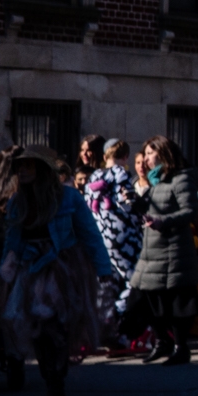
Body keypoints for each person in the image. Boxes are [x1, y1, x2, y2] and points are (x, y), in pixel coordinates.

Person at [0, 145, 114, 396]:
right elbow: (12, 241)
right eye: (19, 167)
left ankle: (57, 375)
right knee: (35, 328)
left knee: (55, 325)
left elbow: (89, 233)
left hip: (62, 267)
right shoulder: (16, 202)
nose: (22, 171)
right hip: (29, 268)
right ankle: (50, 375)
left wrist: (103, 270)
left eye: (28, 166)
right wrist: (2, 274)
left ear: (42, 169)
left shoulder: (68, 198)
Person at [123, 136, 198, 365]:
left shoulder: (181, 179)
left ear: (163, 153)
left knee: (174, 302)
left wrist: (162, 221)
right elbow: (152, 208)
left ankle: (180, 347)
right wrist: (136, 204)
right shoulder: (155, 181)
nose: (145, 159)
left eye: (149, 153)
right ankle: (161, 342)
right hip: (151, 252)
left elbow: (189, 211)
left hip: (173, 251)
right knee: (145, 298)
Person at [80, 136, 142, 346]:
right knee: (136, 281)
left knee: (108, 282)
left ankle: (106, 324)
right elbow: (129, 202)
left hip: (101, 236)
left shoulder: (94, 176)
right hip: (123, 236)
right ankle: (117, 314)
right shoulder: (121, 174)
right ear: (125, 156)